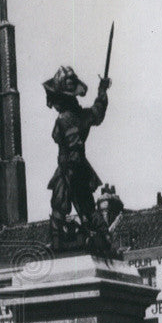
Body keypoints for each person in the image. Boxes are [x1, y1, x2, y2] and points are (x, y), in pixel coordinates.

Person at [44, 65, 115, 256]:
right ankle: (105, 237)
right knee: (87, 206)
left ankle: (57, 241)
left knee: (59, 203)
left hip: (69, 167)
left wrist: (70, 168)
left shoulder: (65, 118)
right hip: (81, 168)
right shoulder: (83, 115)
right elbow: (98, 112)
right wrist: (102, 91)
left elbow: (73, 143)